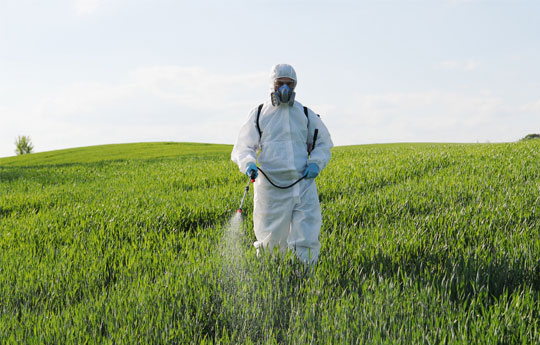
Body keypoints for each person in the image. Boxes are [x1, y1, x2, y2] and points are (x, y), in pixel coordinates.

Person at [231, 63, 333, 265]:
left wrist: (316, 163)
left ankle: (305, 275)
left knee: (307, 233)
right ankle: (273, 275)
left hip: (302, 182)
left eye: (289, 84)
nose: (284, 89)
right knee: (270, 236)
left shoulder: (305, 114)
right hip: (270, 187)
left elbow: (324, 142)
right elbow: (243, 146)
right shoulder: (260, 114)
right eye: (280, 84)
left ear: (295, 86)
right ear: (272, 85)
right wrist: (248, 163)